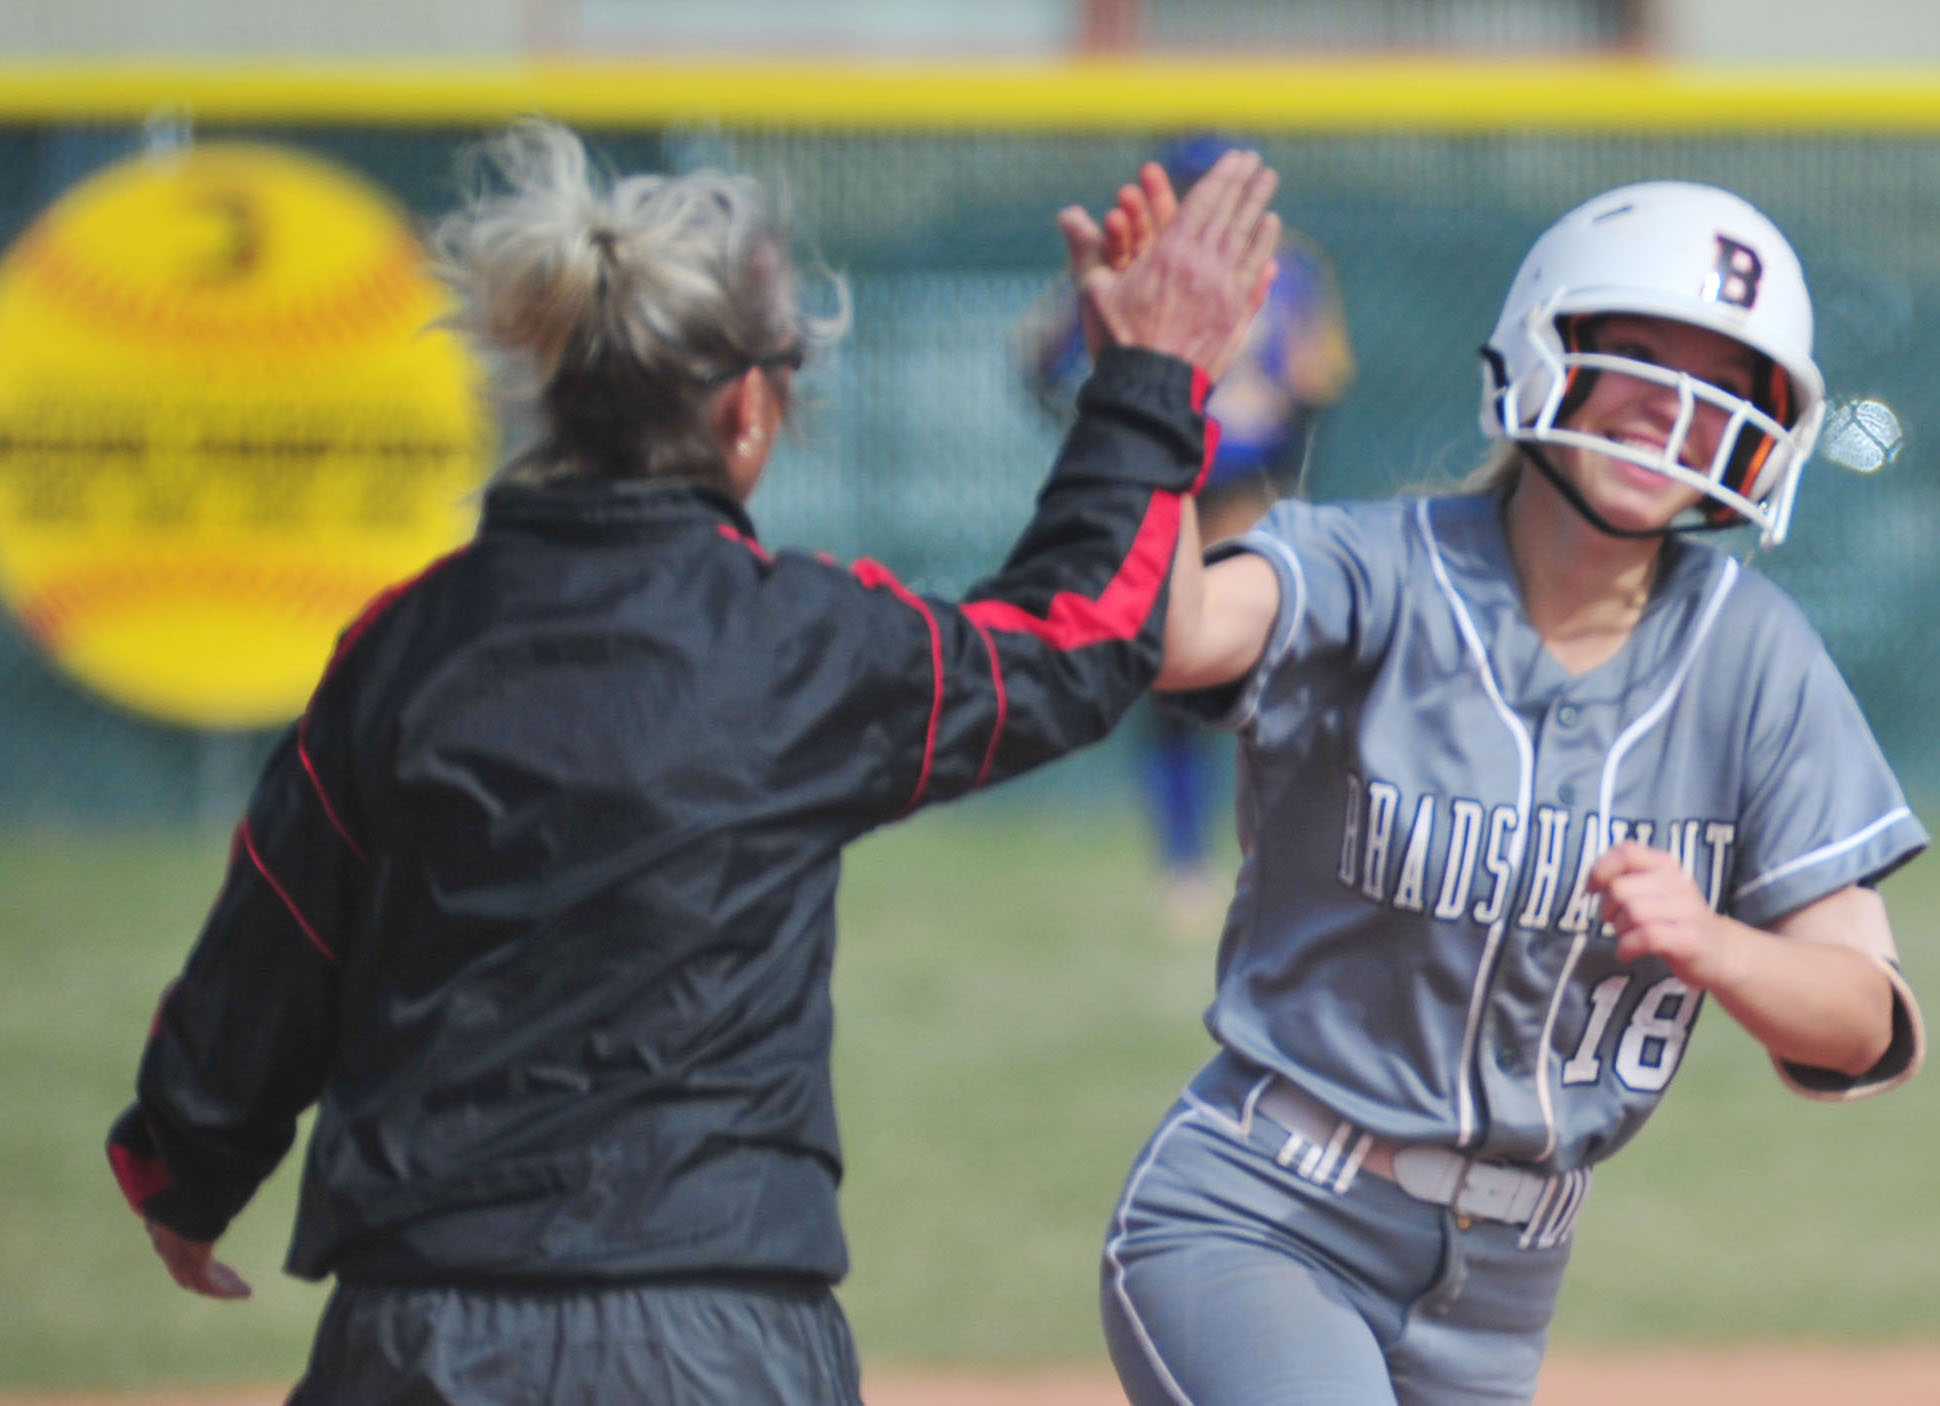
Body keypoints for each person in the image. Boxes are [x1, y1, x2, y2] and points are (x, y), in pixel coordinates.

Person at [102, 119, 1280, 1404]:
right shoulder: (803, 640)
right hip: (710, 1331)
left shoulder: (403, 646)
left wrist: (187, 1167)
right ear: (743, 410)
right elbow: (1079, 633)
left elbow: (275, 939)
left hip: (424, 1325)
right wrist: (1149, 380)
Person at [1096, 178, 1929, 1404]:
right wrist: (1151, 393)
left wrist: (1713, 943)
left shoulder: (1754, 655)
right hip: (1262, 1214)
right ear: (1548, 351)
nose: (1671, 407)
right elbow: (1175, 636)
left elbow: (1865, 1021)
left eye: (1718, 381)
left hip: (1498, 1293)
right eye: (1637, 355)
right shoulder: (1372, 569)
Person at [1018, 132, 1355, 935]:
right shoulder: (1136, 262)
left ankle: (1284, 852)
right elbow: (1043, 361)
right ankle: (1184, 866)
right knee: (1170, 682)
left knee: (1278, 681)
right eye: (1194, 186)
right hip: (1162, 494)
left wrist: (1276, 400)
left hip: (1246, 489)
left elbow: (1321, 377)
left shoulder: (1289, 267)